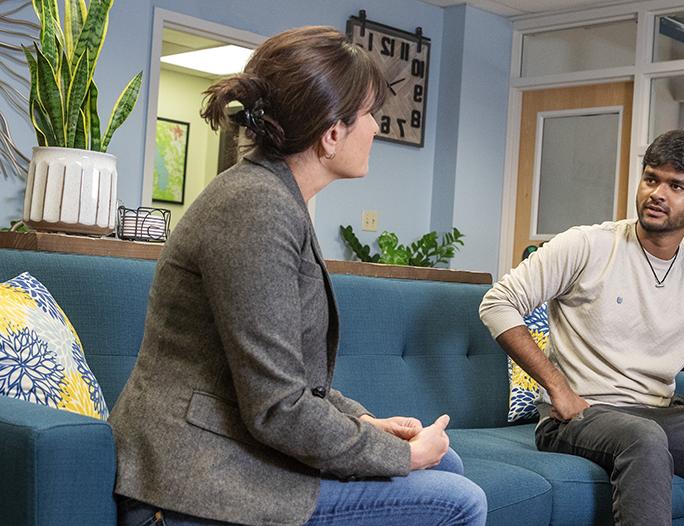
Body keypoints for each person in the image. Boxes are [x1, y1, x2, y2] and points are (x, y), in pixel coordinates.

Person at [109, 26, 486, 526]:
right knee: (460, 502)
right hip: (191, 479)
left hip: (232, 450)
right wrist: (400, 455)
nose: (377, 128)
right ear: (332, 134)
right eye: (370, 115)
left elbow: (294, 383)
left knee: (450, 462)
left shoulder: (276, 200)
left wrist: (366, 422)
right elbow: (279, 408)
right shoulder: (255, 210)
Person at [479, 129, 684, 526]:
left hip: (657, 417)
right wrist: (558, 388)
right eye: (651, 178)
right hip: (579, 416)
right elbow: (497, 304)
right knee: (644, 437)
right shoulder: (587, 246)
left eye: (676, 186)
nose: (657, 193)